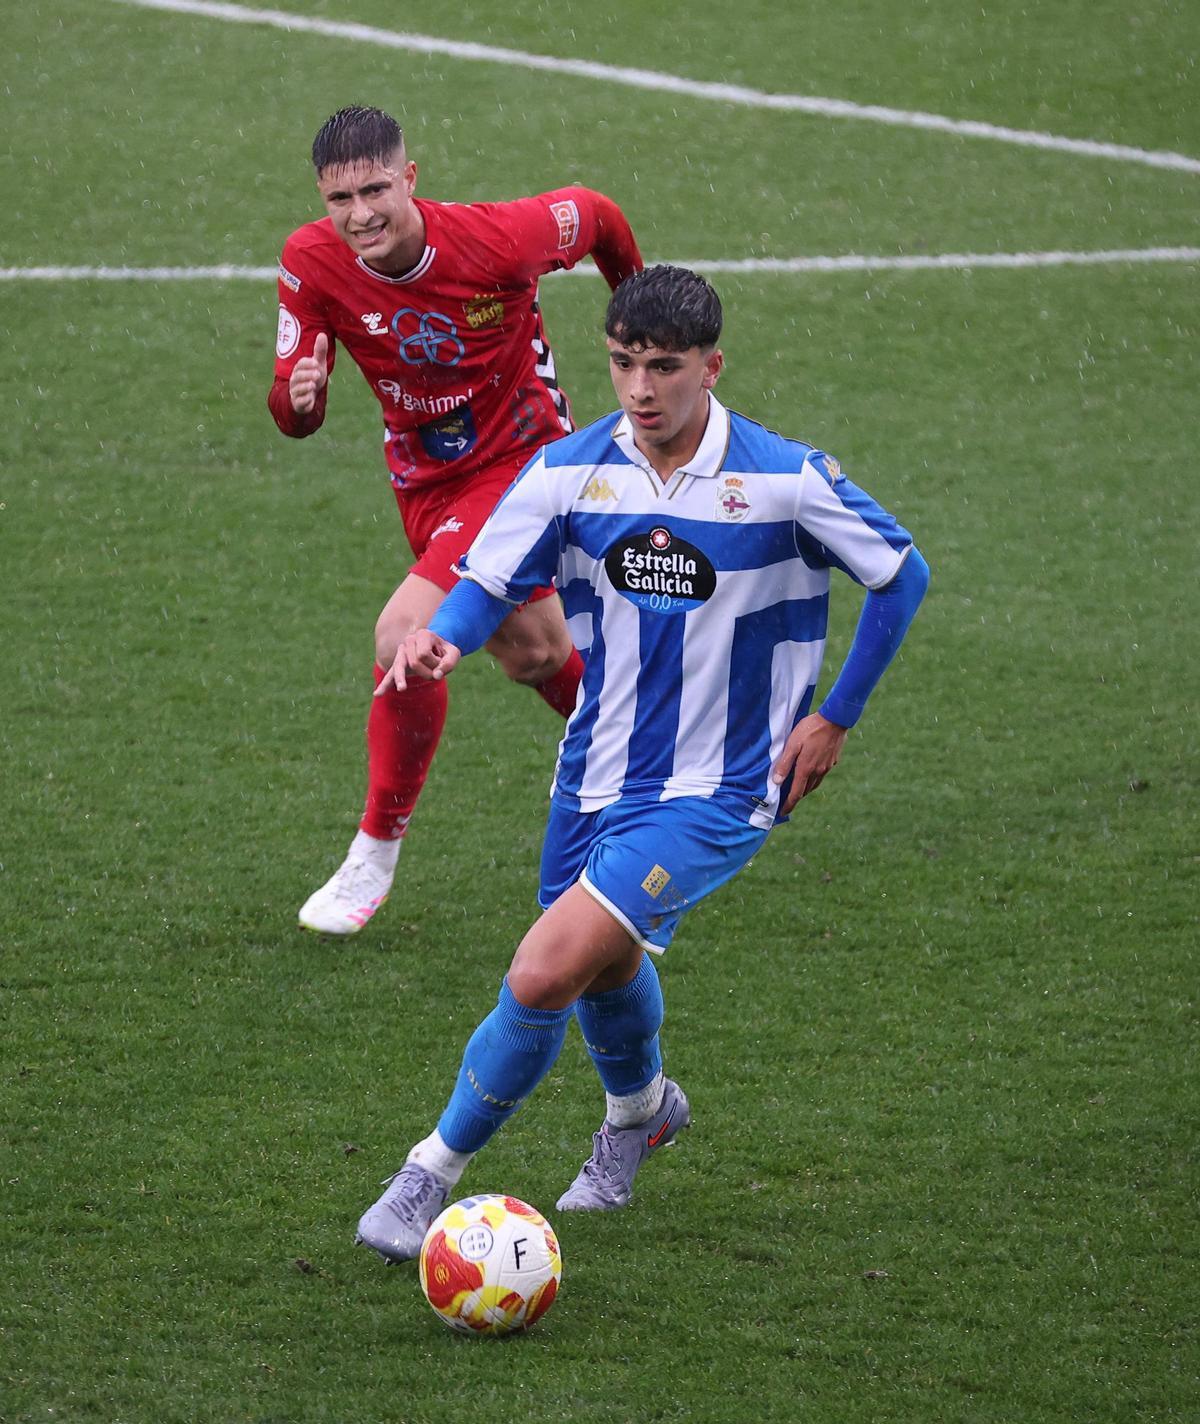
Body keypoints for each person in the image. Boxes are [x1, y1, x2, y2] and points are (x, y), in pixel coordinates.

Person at [354, 265, 930, 1262]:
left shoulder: (783, 478)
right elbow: (489, 578)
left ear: (712, 366)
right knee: (608, 959)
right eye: (623, 362)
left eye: (663, 366)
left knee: (543, 970)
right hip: (594, 773)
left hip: (723, 785)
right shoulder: (571, 471)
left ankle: (424, 1176)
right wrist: (445, 637)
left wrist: (834, 716)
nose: (639, 388)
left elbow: (900, 571)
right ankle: (642, 1112)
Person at [268, 105, 643, 935]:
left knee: (405, 635)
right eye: (340, 198)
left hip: (523, 465)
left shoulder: (498, 241)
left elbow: (601, 214)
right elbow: (289, 409)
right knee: (537, 651)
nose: (360, 213)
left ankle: (374, 852)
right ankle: (650, 770)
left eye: (375, 189)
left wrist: (639, 318)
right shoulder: (309, 262)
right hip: (427, 484)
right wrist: (304, 399)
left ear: (410, 178)